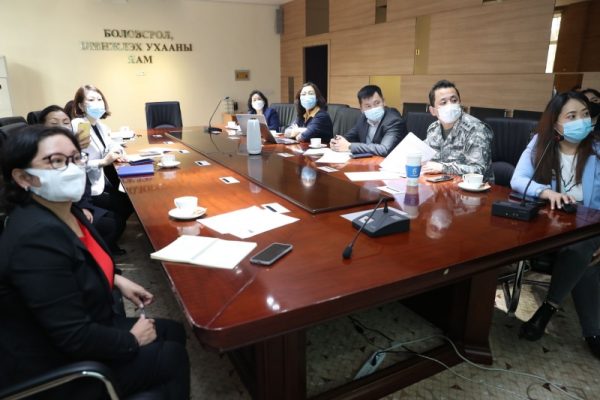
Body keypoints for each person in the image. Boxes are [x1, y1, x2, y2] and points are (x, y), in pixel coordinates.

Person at [0, 125, 190, 399]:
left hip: (85, 325)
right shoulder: (35, 237)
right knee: (170, 357)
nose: (72, 168)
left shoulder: (66, 209)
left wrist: (115, 278)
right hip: (55, 364)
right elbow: (73, 336)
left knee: (173, 331)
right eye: (56, 161)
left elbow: (78, 260)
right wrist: (131, 340)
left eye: (76, 158)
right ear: (22, 177)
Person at [510, 91, 600, 359]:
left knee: (581, 249)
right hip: (550, 228)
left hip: (591, 230)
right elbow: (518, 179)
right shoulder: (541, 144)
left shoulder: (597, 150)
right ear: (555, 123)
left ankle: (548, 308)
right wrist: (545, 192)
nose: (580, 121)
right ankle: (593, 331)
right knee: (584, 258)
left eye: (585, 115)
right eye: (571, 116)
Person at [40, 104, 126, 256]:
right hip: (60, 208)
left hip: (78, 201)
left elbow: (82, 180)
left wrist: (85, 206)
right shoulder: (41, 152)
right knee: (112, 223)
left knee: (118, 214)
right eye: (54, 123)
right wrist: (81, 208)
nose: (62, 127)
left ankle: (102, 250)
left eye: (66, 123)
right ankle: (91, 256)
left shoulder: (69, 147)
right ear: (41, 127)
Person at [71, 84, 133, 234]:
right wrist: (103, 162)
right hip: (89, 186)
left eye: (100, 99)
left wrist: (116, 151)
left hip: (103, 179)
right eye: (91, 100)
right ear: (81, 106)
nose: (97, 103)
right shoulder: (81, 126)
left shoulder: (100, 125)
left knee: (128, 201)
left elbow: (112, 144)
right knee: (125, 205)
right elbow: (78, 163)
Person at [422, 80, 493, 182]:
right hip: (441, 185)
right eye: (443, 102)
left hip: (472, 188)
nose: (450, 105)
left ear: (460, 103)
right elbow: (426, 158)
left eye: (454, 100)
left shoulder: (476, 129)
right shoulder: (433, 129)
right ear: (433, 111)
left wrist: (443, 168)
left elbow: (478, 171)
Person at [330, 85, 407, 156]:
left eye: (377, 103)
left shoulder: (393, 120)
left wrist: (349, 146)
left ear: (383, 102)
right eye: (368, 106)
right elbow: (349, 136)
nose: (373, 108)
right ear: (361, 109)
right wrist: (337, 142)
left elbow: (384, 149)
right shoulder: (363, 118)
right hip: (367, 161)